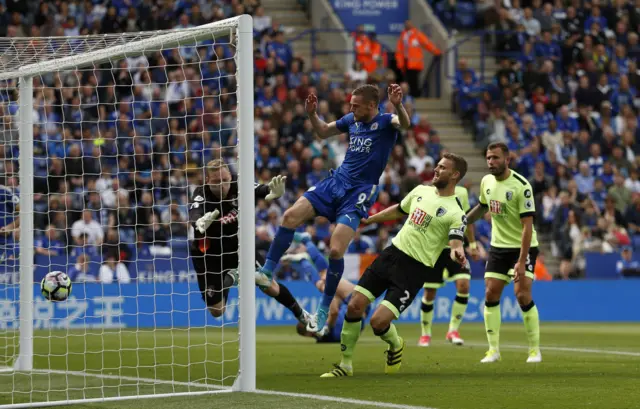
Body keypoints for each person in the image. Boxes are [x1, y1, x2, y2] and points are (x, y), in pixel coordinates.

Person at [255, 84, 411, 333]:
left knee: (336, 250)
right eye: (350, 104)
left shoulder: (385, 121)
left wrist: (398, 104)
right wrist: (311, 114)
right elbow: (324, 131)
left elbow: (404, 124)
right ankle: (266, 271)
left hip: (358, 193)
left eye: (356, 105)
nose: (351, 108)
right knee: (290, 215)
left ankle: (324, 309)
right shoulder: (352, 120)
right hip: (336, 182)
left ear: (372, 105)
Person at [320, 153, 469, 377]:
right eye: (437, 165)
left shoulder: (456, 212)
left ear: (455, 175)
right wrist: (371, 219)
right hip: (391, 254)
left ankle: (395, 344)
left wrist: (458, 251)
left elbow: (456, 241)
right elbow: (400, 210)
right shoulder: (421, 191)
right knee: (354, 306)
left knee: (378, 322)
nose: (436, 170)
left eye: (442, 167)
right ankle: (345, 365)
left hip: (414, 270)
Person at [189, 159, 310, 324]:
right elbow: (195, 215)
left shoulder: (238, 187)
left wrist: (272, 191)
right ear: (208, 181)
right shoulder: (200, 194)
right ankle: (230, 278)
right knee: (217, 310)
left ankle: (302, 315)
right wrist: (199, 222)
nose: (222, 185)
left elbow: (261, 189)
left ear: (230, 177)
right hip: (209, 256)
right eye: (217, 181)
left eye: (225, 179)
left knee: (269, 284)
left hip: (237, 249)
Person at [366, 183, 477, 347]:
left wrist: (472, 244)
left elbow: (467, 220)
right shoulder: (427, 191)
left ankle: (453, 330)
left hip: (455, 247)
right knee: (430, 292)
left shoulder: (462, 193)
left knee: (464, 286)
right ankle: (426, 334)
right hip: (434, 250)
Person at [466, 142, 542, 364]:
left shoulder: (521, 186)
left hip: (522, 246)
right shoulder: (486, 182)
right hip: (498, 247)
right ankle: (493, 350)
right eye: (489, 158)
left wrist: (520, 261)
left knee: (522, 294)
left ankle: (534, 350)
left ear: (507, 160)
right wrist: (462, 222)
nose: (491, 162)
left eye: (496, 158)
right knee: (490, 293)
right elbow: (481, 207)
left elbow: (527, 226)